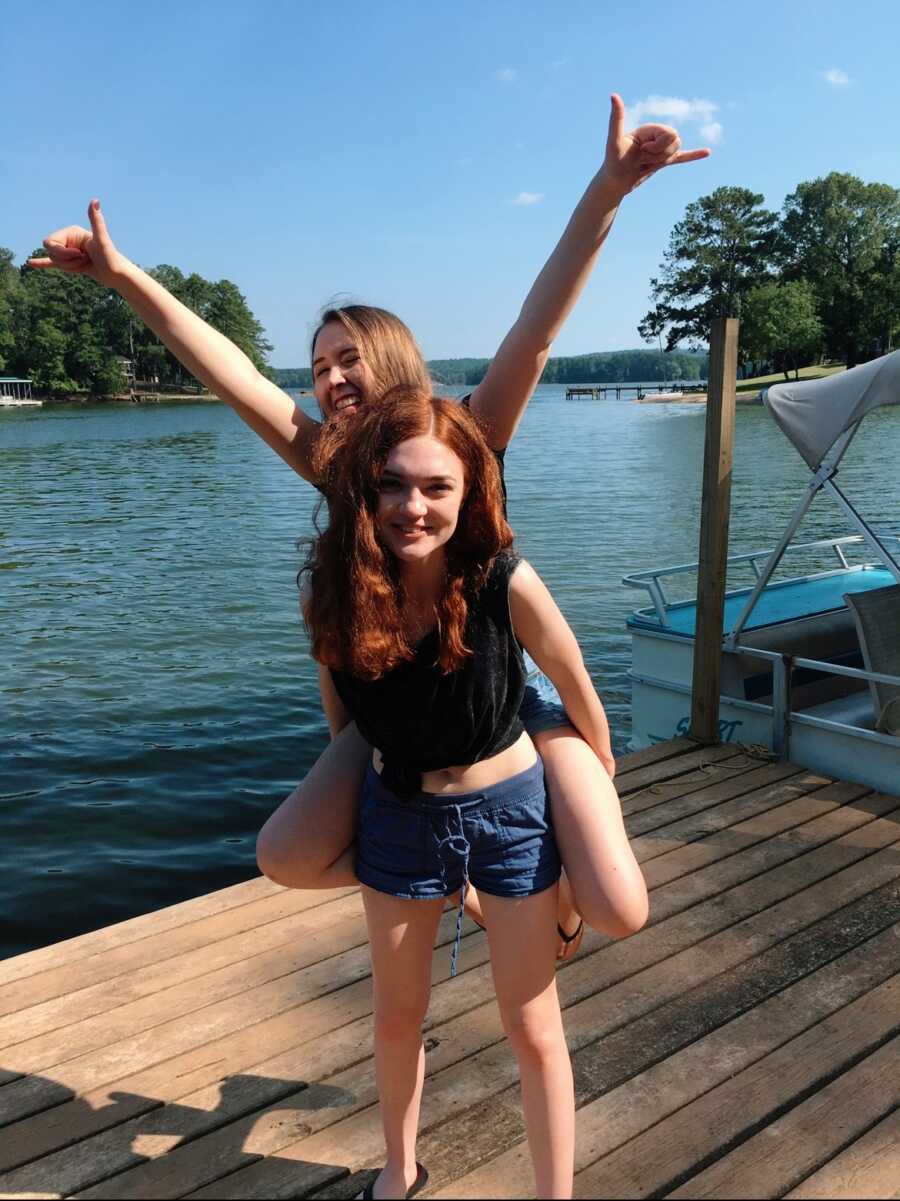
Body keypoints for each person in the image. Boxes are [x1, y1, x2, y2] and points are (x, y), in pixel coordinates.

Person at [29, 94, 708, 956]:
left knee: (615, 905)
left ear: (393, 362)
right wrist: (124, 279)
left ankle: (540, 877)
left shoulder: (467, 436)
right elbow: (230, 371)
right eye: (318, 367)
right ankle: (434, 865)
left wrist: (607, 190)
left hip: (502, 714)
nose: (332, 378)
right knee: (285, 850)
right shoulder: (334, 464)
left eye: (349, 357)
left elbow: (535, 333)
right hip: (394, 724)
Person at [303, 386, 615, 1199]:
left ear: (468, 491)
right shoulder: (332, 590)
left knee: (532, 1027)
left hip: (508, 812)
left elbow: (576, 676)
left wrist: (597, 796)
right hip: (401, 812)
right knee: (397, 1017)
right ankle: (398, 1169)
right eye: (394, 485)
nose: (414, 506)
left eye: (437, 487)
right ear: (365, 489)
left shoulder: (498, 576)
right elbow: (344, 717)